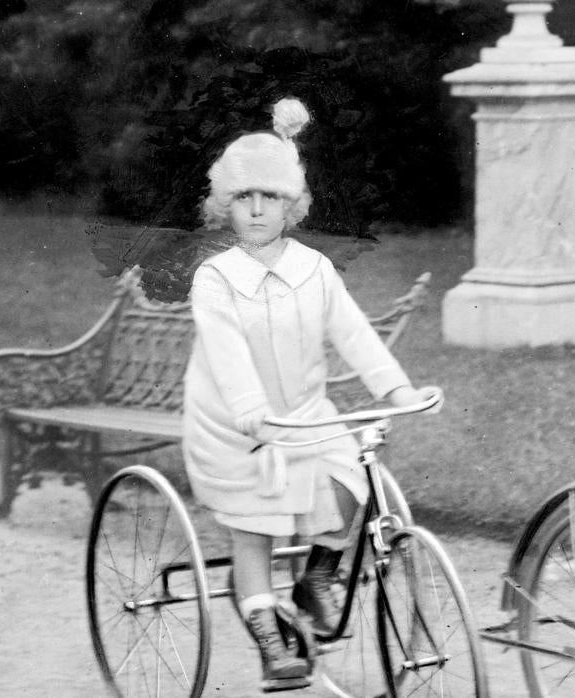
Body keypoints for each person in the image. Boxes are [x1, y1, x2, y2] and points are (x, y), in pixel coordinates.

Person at [182, 97, 431, 692]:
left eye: (271, 198)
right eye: (244, 198)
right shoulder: (215, 279)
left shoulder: (314, 268)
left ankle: (317, 575)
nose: (258, 210)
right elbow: (227, 357)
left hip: (305, 415)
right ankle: (271, 642)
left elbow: (353, 334)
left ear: (293, 205)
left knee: (351, 477)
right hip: (234, 427)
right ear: (225, 206)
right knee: (256, 529)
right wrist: (251, 415)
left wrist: (397, 388)